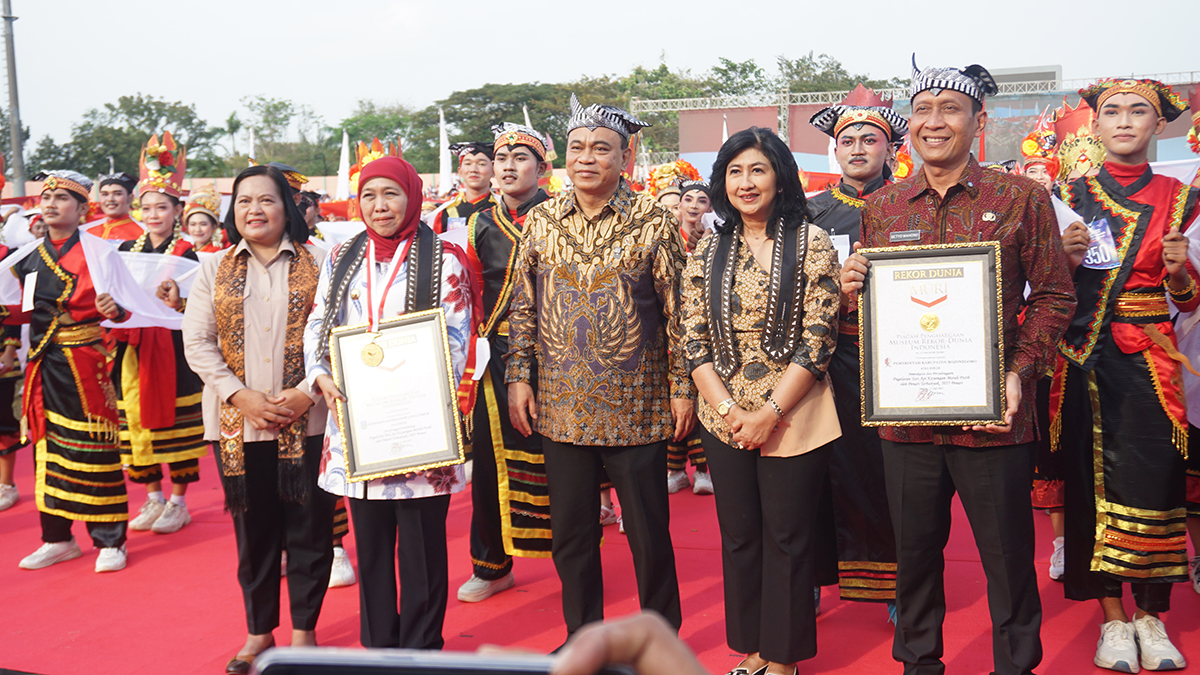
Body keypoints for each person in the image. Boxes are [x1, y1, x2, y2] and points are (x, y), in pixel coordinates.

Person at [840, 57, 1076, 675]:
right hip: (907, 419)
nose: (934, 122)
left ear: (980, 120)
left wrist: (1018, 371)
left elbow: (1055, 295)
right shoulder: (883, 209)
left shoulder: (1021, 196)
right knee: (914, 557)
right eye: (922, 109)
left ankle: (1014, 665)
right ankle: (919, 664)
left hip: (995, 418)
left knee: (1007, 560)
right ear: (908, 125)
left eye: (950, 108)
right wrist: (850, 287)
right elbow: (872, 314)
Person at [506, 93, 692, 640]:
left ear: (625, 158)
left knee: (648, 532)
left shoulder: (653, 222)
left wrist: (682, 388)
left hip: (637, 406)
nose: (587, 158)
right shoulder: (539, 221)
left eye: (601, 149)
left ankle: (660, 635)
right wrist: (520, 376)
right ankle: (581, 635)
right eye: (577, 147)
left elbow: (680, 312)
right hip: (561, 406)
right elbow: (522, 307)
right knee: (573, 534)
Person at [682, 126, 841, 675]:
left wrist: (769, 412)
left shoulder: (812, 241)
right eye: (734, 171)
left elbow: (820, 336)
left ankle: (783, 657)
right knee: (741, 535)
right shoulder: (707, 247)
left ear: (780, 176)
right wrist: (730, 411)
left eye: (757, 169)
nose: (745, 183)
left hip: (795, 410)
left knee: (788, 537)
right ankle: (752, 647)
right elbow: (693, 336)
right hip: (721, 412)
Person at [1052, 78, 1197, 673]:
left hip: (1149, 357)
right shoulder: (1066, 194)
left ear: (1158, 125)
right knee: (1088, 486)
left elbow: (1188, 303)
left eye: (1139, 111)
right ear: (1095, 125)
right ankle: (1112, 617)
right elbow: (1044, 289)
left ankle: (1151, 614)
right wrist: (1060, 258)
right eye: (1111, 111)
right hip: (1083, 357)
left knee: (1157, 483)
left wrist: (1180, 272)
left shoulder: (1181, 197)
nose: (1124, 121)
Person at [305, 156, 473, 650]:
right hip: (359, 421)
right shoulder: (341, 256)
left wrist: (409, 377)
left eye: (391, 194)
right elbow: (320, 323)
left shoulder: (444, 256)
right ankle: (379, 650)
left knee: (422, 547)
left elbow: (459, 334)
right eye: (370, 196)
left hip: (420, 419)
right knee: (372, 547)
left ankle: (423, 649)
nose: (380, 207)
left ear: (412, 196)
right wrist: (320, 374)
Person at [182, 164, 336, 673]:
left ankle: (304, 632)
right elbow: (199, 345)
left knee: (310, 529)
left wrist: (304, 392)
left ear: (286, 207)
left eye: (266, 200)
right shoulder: (212, 268)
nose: (254, 210)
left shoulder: (325, 263)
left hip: (308, 418)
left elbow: (340, 334)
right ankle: (258, 631)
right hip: (237, 423)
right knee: (255, 532)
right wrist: (238, 395)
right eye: (244, 200)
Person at [806, 86, 908, 617]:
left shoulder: (912, 203)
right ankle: (815, 576)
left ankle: (897, 584)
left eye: (872, 139)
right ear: (835, 150)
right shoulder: (810, 213)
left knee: (894, 474)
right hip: (832, 361)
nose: (859, 147)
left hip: (902, 359)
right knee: (819, 471)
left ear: (891, 149)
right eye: (848, 140)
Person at [6, 171, 132, 572]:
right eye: (47, 197)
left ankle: (110, 539)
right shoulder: (27, 260)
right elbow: (26, 312)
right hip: (44, 364)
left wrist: (117, 311)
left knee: (94, 446)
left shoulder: (100, 254)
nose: (51, 203)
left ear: (81, 210)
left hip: (86, 362)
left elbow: (129, 307)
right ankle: (57, 538)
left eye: (62, 198)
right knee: (49, 447)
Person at [457, 122, 553, 604]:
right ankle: (492, 565)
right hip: (496, 355)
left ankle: (576, 558)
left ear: (543, 168)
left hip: (556, 353)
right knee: (493, 463)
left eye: (521, 157)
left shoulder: (561, 215)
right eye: (502, 158)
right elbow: (471, 294)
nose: (509, 166)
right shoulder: (477, 224)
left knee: (562, 459)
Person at [115, 132, 208, 535]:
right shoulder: (125, 250)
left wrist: (178, 303)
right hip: (134, 349)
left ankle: (178, 501)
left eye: (162, 207)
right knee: (135, 423)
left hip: (173, 348)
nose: (154, 214)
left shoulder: (189, 254)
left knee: (177, 428)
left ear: (177, 209)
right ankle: (152, 497)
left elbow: (201, 306)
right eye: (147, 207)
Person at [431, 141, 496, 234]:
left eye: (481, 164)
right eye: (468, 164)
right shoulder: (445, 212)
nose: (473, 169)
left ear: (493, 170)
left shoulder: (503, 208)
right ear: (460, 171)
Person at [93, 172, 143, 241]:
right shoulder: (88, 231)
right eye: (104, 194)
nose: (110, 199)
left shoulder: (143, 233)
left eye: (117, 194)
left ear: (130, 198)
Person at [185, 182, 226, 252]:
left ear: (214, 226)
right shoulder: (185, 250)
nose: (197, 229)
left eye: (203, 224)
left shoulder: (219, 253)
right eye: (193, 224)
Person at [677, 180, 711, 254]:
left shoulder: (715, 240)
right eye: (688, 200)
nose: (694, 206)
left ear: (710, 209)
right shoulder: (670, 238)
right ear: (679, 206)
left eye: (702, 201)